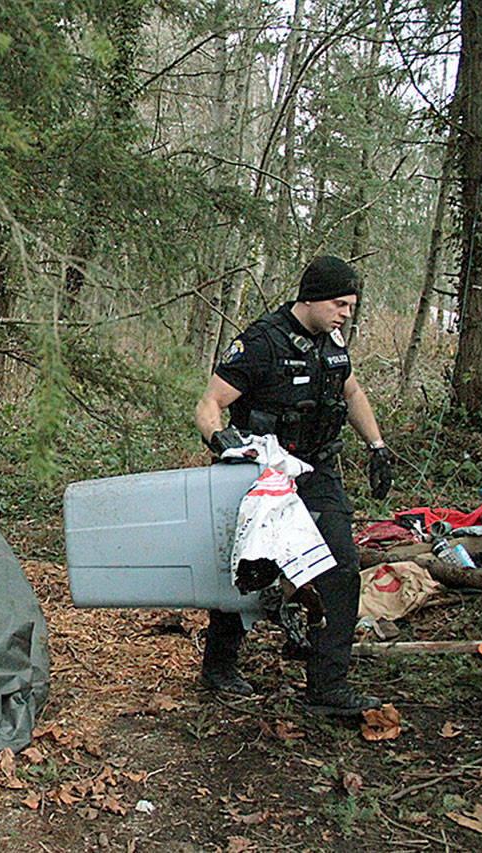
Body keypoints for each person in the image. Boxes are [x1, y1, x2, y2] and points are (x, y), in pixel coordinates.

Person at [193, 255, 393, 716]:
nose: (346, 313)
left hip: (317, 471)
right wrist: (218, 438)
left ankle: (328, 687)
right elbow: (209, 403)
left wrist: (377, 446)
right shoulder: (261, 342)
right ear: (312, 297)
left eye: (352, 305)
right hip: (263, 476)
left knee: (341, 569)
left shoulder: (333, 342)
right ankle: (220, 666)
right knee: (248, 571)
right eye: (340, 304)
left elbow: (352, 391)